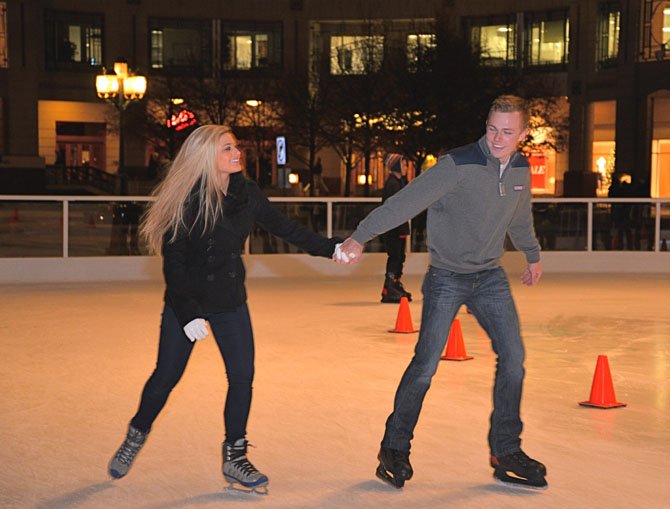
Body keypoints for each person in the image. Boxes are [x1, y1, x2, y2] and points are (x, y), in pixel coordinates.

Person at [108, 125, 340, 493]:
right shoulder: (186, 200)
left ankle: (234, 457)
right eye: (227, 148)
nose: (237, 153)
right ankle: (136, 433)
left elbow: (285, 228)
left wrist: (332, 249)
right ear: (205, 157)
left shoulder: (246, 193)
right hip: (188, 302)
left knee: (242, 376)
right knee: (166, 378)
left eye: (236, 146)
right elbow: (175, 265)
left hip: (230, 300)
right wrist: (188, 313)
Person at [335, 95, 546, 490]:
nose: (498, 139)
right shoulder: (457, 164)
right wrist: (360, 236)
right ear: (485, 125)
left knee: (514, 360)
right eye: (491, 129)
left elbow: (520, 218)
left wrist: (532, 256)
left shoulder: (519, 168)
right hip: (448, 276)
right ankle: (394, 449)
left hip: (490, 277)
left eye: (507, 132)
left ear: (523, 133)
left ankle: (505, 449)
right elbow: (404, 202)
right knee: (426, 365)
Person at [379, 153, 412, 303]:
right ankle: (389, 287)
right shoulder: (392, 185)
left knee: (400, 257)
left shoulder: (400, 182)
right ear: (397, 166)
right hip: (394, 228)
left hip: (399, 227)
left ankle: (395, 283)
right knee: (395, 257)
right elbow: (393, 208)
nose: (406, 168)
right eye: (404, 165)